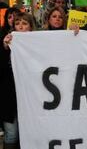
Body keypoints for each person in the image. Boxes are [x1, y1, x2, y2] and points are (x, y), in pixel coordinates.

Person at [1, 12, 36, 149]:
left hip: (30, 98)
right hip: (10, 99)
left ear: (31, 27)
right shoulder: (6, 42)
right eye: (18, 23)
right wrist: (5, 48)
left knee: (27, 134)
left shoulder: (39, 44)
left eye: (25, 23)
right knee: (12, 134)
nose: (21, 26)